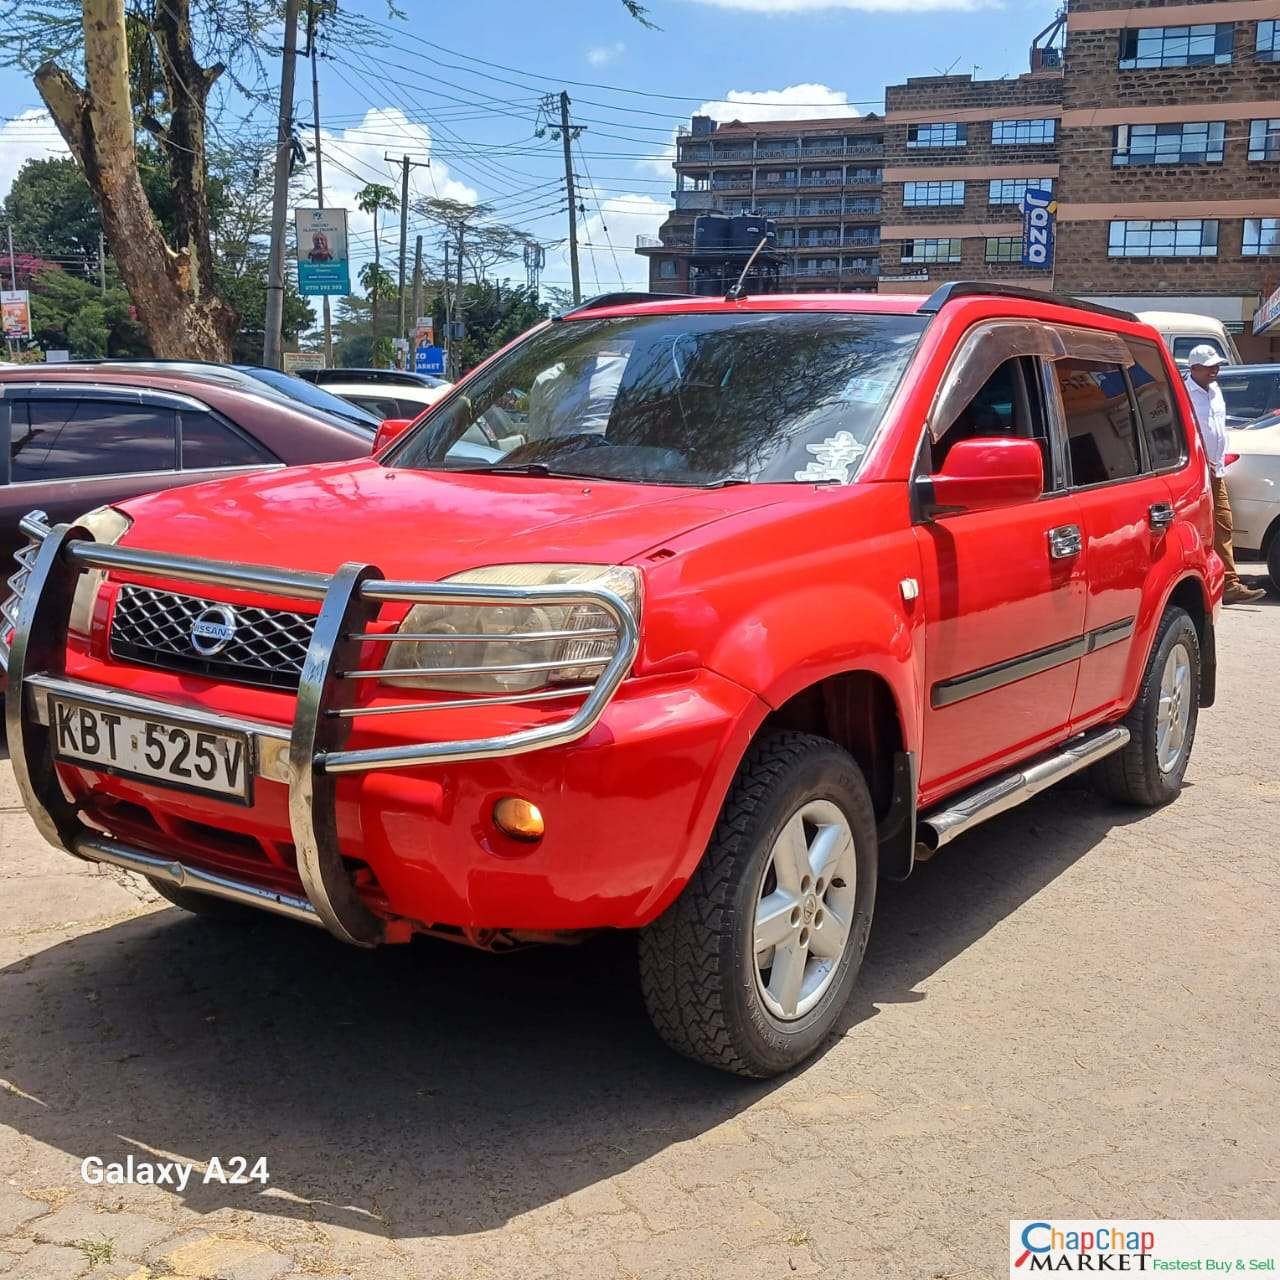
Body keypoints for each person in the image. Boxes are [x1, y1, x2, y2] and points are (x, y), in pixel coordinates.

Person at [1183, 345, 1265, 605]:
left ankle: (1227, 582)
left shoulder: (1215, 391)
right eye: (1208, 366)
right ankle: (1218, 582)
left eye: (1216, 365)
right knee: (1197, 527)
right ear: (1194, 368)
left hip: (1215, 469)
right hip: (1194, 470)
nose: (1214, 369)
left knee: (1222, 523)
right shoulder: (1184, 392)